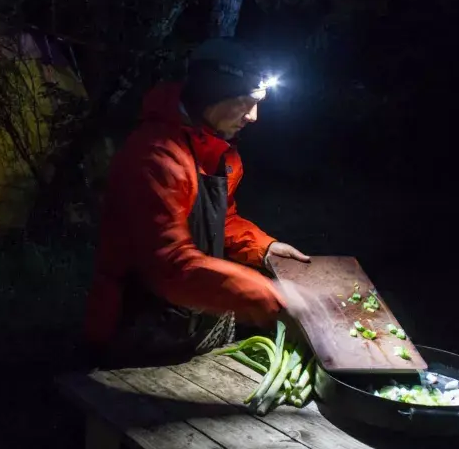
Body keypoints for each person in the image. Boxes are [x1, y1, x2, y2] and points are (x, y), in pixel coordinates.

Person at [85, 38, 311, 366]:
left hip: (192, 313)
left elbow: (221, 220)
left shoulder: (219, 152)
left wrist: (264, 247)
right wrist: (267, 294)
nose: (254, 117)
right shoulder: (156, 157)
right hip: (136, 327)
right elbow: (171, 264)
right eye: (246, 102)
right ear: (211, 95)